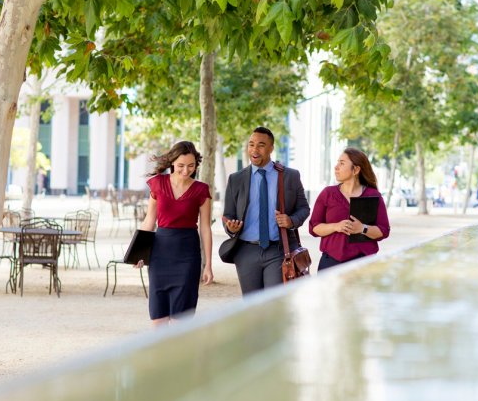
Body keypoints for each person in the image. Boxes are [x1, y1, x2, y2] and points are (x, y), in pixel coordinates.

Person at [220, 127, 310, 295]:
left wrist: (291, 221)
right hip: (246, 252)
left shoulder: (290, 176)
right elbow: (228, 215)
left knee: (273, 304)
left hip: (278, 251)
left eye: (261, 145)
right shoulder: (236, 179)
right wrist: (230, 227)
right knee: (251, 307)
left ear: (271, 148)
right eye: (251, 144)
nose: (254, 149)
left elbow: (304, 208)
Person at [137, 141, 213, 325]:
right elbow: (149, 220)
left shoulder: (201, 190)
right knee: (158, 319)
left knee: (181, 321)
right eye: (181, 166)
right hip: (159, 254)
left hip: (187, 255)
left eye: (191, 166)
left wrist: (208, 265)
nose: (186, 171)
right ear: (172, 163)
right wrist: (138, 252)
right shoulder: (158, 184)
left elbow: (205, 228)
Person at [309, 148, 390, 271]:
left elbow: (383, 231)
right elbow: (314, 227)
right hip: (330, 263)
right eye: (337, 163)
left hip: (364, 264)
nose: (336, 167)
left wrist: (362, 228)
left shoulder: (374, 195)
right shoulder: (327, 193)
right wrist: (336, 226)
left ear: (356, 169)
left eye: (342, 163)